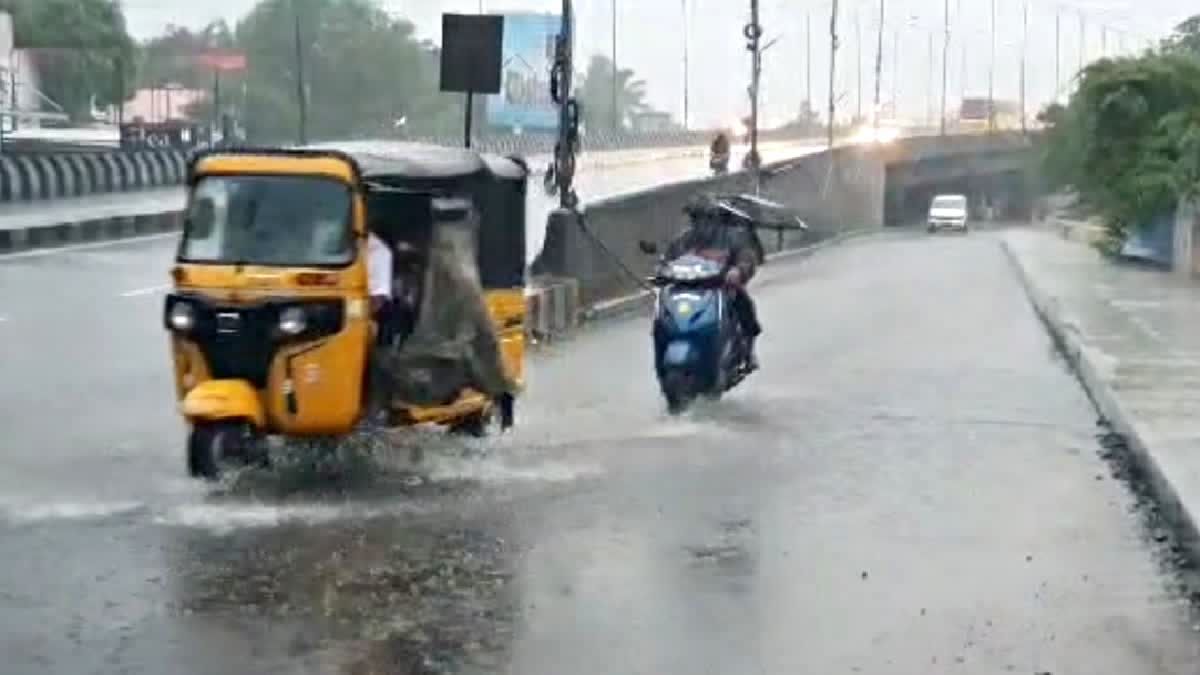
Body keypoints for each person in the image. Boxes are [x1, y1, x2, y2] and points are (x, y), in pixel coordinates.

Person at [664, 195, 763, 369]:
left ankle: (748, 350)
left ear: (714, 219)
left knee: (743, 302)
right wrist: (660, 270)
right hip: (688, 290)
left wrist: (738, 270)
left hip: (720, 288)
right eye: (695, 219)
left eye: (704, 219)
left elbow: (746, 257)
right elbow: (667, 261)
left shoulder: (732, 237)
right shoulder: (682, 241)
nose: (700, 224)